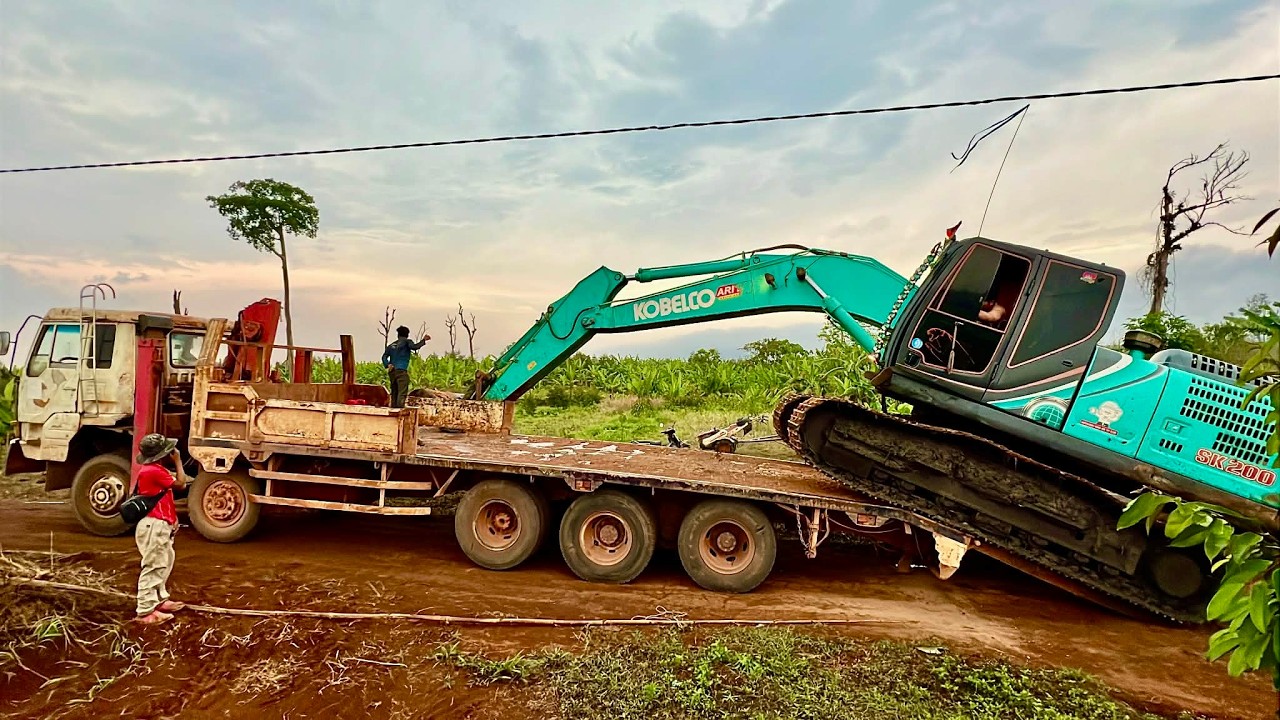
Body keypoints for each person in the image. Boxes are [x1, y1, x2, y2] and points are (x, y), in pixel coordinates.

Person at [133, 433, 188, 625]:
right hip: (153, 524)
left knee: (164, 562)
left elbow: (164, 498)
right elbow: (181, 484)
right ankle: (146, 610)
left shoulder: (154, 469)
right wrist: (179, 461)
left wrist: (172, 520)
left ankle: (158, 600)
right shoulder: (153, 471)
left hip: (159, 523)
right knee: (154, 565)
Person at [382, 325, 429, 408]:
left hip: (392, 371)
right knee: (402, 391)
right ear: (407, 334)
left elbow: (384, 356)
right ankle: (399, 409)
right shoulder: (407, 342)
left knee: (394, 391)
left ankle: (393, 408)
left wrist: (387, 364)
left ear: (398, 334)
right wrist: (424, 340)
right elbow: (415, 347)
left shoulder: (392, 345)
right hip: (401, 370)